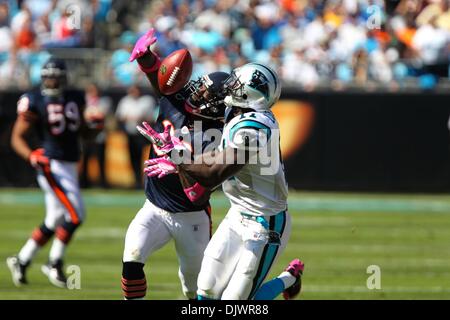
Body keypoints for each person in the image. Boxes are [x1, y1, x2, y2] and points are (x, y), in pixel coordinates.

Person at [140, 62, 303, 300]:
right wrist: (149, 63)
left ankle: (288, 278)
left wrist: (179, 159)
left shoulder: (255, 127)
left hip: (265, 222)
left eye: (236, 84)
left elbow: (215, 172)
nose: (230, 87)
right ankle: (289, 279)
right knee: (205, 291)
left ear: (251, 93)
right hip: (237, 214)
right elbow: (214, 155)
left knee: (235, 302)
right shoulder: (235, 111)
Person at [121, 28, 230, 300]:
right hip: (154, 207)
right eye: (198, 86)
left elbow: (197, 194)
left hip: (190, 217)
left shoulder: (218, 135)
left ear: (215, 106)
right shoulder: (177, 98)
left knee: (196, 291)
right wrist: (145, 58)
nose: (195, 93)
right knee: (132, 259)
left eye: (204, 94)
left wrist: (179, 163)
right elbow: (164, 80)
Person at [6, 57, 103, 288]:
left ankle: (22, 260)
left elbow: (82, 133)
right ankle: (54, 261)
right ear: (43, 78)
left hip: (69, 163)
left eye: (57, 77)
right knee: (76, 214)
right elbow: (16, 137)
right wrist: (31, 155)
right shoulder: (35, 100)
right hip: (52, 165)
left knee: (54, 219)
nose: (53, 82)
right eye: (49, 77)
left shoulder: (74, 97)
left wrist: (94, 128)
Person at [115, 84, 156, 189]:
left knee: (146, 157)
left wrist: (142, 118)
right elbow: (119, 116)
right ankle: (137, 180)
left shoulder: (146, 101)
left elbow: (151, 117)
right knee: (133, 157)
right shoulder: (125, 101)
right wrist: (128, 118)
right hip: (131, 133)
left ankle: (148, 179)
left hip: (143, 134)